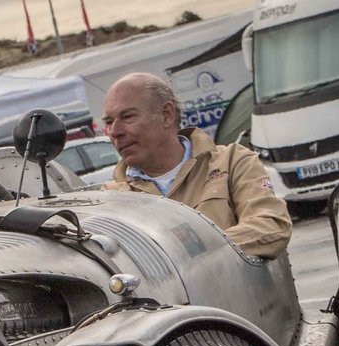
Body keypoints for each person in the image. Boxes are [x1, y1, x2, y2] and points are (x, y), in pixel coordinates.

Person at [100, 72, 291, 260]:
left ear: (166, 115)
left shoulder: (233, 162)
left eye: (128, 117)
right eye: (109, 122)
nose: (115, 131)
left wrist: (190, 248)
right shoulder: (112, 199)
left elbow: (271, 226)